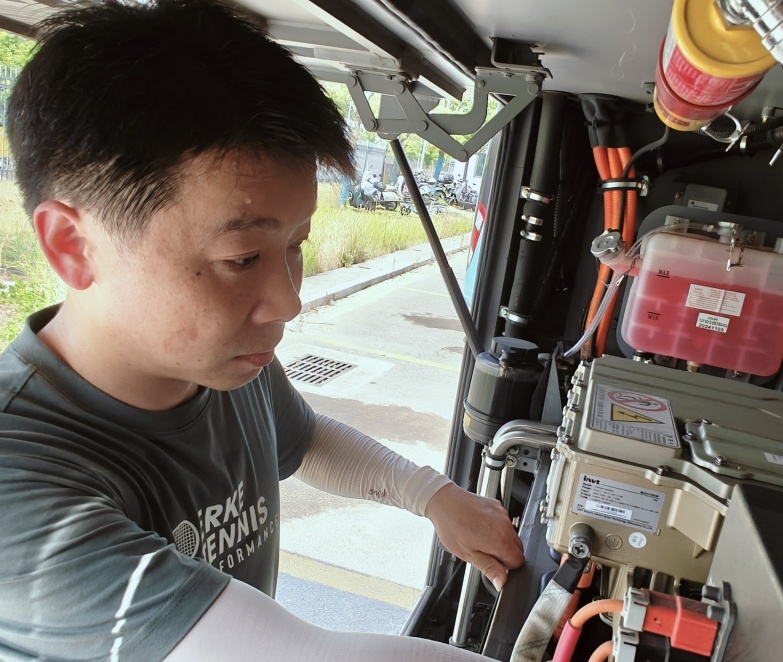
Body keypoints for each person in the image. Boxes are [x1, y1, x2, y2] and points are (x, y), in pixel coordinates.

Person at [0, 1, 523, 660]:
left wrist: (432, 496)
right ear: (73, 245)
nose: (287, 302)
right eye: (243, 258)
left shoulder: (220, 362)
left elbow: (300, 440)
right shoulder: (18, 482)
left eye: (296, 245)